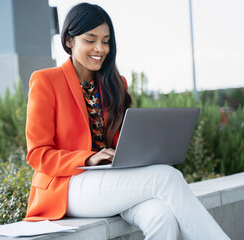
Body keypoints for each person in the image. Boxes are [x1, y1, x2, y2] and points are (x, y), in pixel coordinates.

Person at [24, 3, 230, 240]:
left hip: (110, 182)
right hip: (66, 187)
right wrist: (88, 158)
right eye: (90, 40)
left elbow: (123, 143)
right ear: (69, 41)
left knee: (161, 215)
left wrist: (146, 150)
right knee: (167, 177)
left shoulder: (115, 83)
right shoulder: (46, 80)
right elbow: (38, 154)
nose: (100, 48)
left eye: (106, 40)